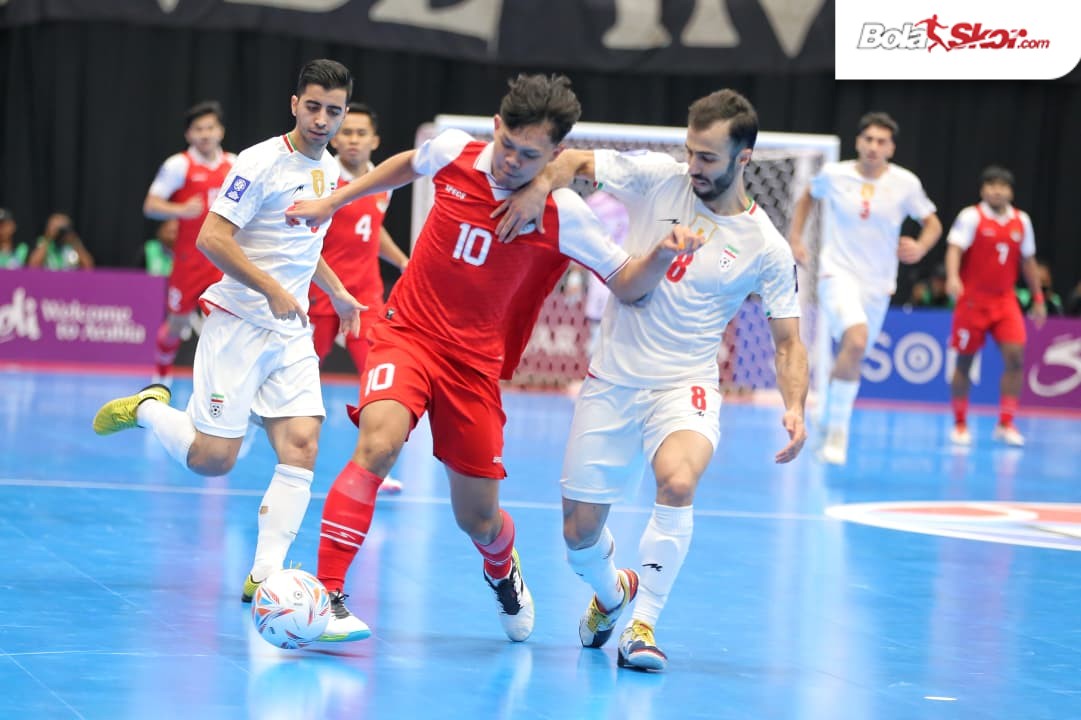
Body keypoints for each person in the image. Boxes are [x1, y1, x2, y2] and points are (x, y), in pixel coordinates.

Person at [285, 73, 705, 644]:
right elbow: (411, 163)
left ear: (557, 155)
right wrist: (333, 201)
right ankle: (328, 596)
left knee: (477, 519)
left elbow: (628, 284)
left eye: (530, 156)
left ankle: (503, 568)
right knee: (378, 442)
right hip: (407, 333)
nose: (510, 161)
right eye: (507, 144)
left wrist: (659, 254)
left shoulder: (564, 215)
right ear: (496, 126)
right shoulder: (456, 151)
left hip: (474, 368)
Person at [494, 89, 808, 671]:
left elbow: (789, 341)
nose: (695, 167)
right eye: (691, 152)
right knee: (578, 537)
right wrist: (540, 188)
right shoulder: (658, 177)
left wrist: (794, 407)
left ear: (744, 159)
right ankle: (615, 594)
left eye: (709, 158)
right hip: (612, 379)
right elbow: (572, 162)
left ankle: (642, 625)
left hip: (684, 383)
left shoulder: (765, 245)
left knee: (679, 481)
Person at [92, 59, 364, 626]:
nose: (322, 119)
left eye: (333, 111)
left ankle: (265, 575)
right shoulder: (259, 162)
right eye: (312, 106)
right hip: (239, 322)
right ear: (295, 104)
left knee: (303, 447)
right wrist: (268, 288)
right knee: (215, 460)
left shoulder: (332, 171)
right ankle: (147, 409)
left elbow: (305, 249)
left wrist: (337, 293)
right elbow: (213, 238)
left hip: (290, 332)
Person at [788, 112, 941, 465]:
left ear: (891, 148)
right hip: (837, 273)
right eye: (868, 139)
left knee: (853, 354)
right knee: (855, 341)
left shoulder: (906, 183)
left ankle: (827, 418)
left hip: (879, 285)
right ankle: (839, 431)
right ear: (858, 142)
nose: (873, 146)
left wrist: (920, 246)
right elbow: (808, 197)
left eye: (881, 141)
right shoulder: (834, 174)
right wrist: (796, 238)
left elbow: (932, 222)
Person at [312, 102, 410, 495]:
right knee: (295, 375)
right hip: (318, 294)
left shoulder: (380, 179)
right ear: (335, 137)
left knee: (378, 380)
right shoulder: (321, 176)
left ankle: (374, 466)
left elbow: (373, 229)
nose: (353, 139)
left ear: (375, 140)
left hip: (366, 297)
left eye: (360, 133)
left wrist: (403, 259)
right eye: (346, 132)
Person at [946, 165, 1046, 447]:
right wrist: (954, 278)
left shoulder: (1021, 221)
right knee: (964, 362)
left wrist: (1038, 298)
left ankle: (1005, 423)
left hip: (1005, 301)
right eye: (991, 185)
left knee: (1016, 358)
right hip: (973, 301)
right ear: (982, 190)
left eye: (1002, 186)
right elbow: (955, 248)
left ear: (1011, 192)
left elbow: (1028, 261)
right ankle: (960, 423)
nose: (997, 190)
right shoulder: (971, 216)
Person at [143, 101, 236, 385]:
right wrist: (179, 210)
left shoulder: (235, 164)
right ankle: (161, 371)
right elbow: (150, 205)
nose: (205, 134)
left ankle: (220, 382)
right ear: (189, 135)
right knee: (177, 325)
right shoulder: (179, 164)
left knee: (228, 323)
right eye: (198, 129)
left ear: (220, 131)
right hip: (189, 260)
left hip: (223, 259)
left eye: (210, 128)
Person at [28, 212, 95, 270]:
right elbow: (33, 265)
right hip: (48, 281)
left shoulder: (72, 244)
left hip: (69, 282)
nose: (60, 232)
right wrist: (49, 237)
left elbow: (89, 267)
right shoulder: (42, 242)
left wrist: (74, 241)